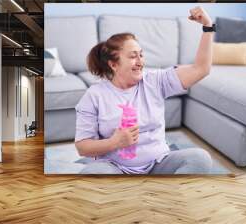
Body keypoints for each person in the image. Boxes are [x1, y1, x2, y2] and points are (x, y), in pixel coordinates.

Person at [75, 7, 214, 174]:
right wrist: (114, 142)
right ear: (113, 64)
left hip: (158, 165)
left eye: (141, 55)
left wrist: (207, 26)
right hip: (115, 168)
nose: (140, 61)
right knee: (91, 174)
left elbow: (201, 69)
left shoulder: (155, 81)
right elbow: (82, 147)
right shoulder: (95, 95)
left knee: (200, 158)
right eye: (133, 56)